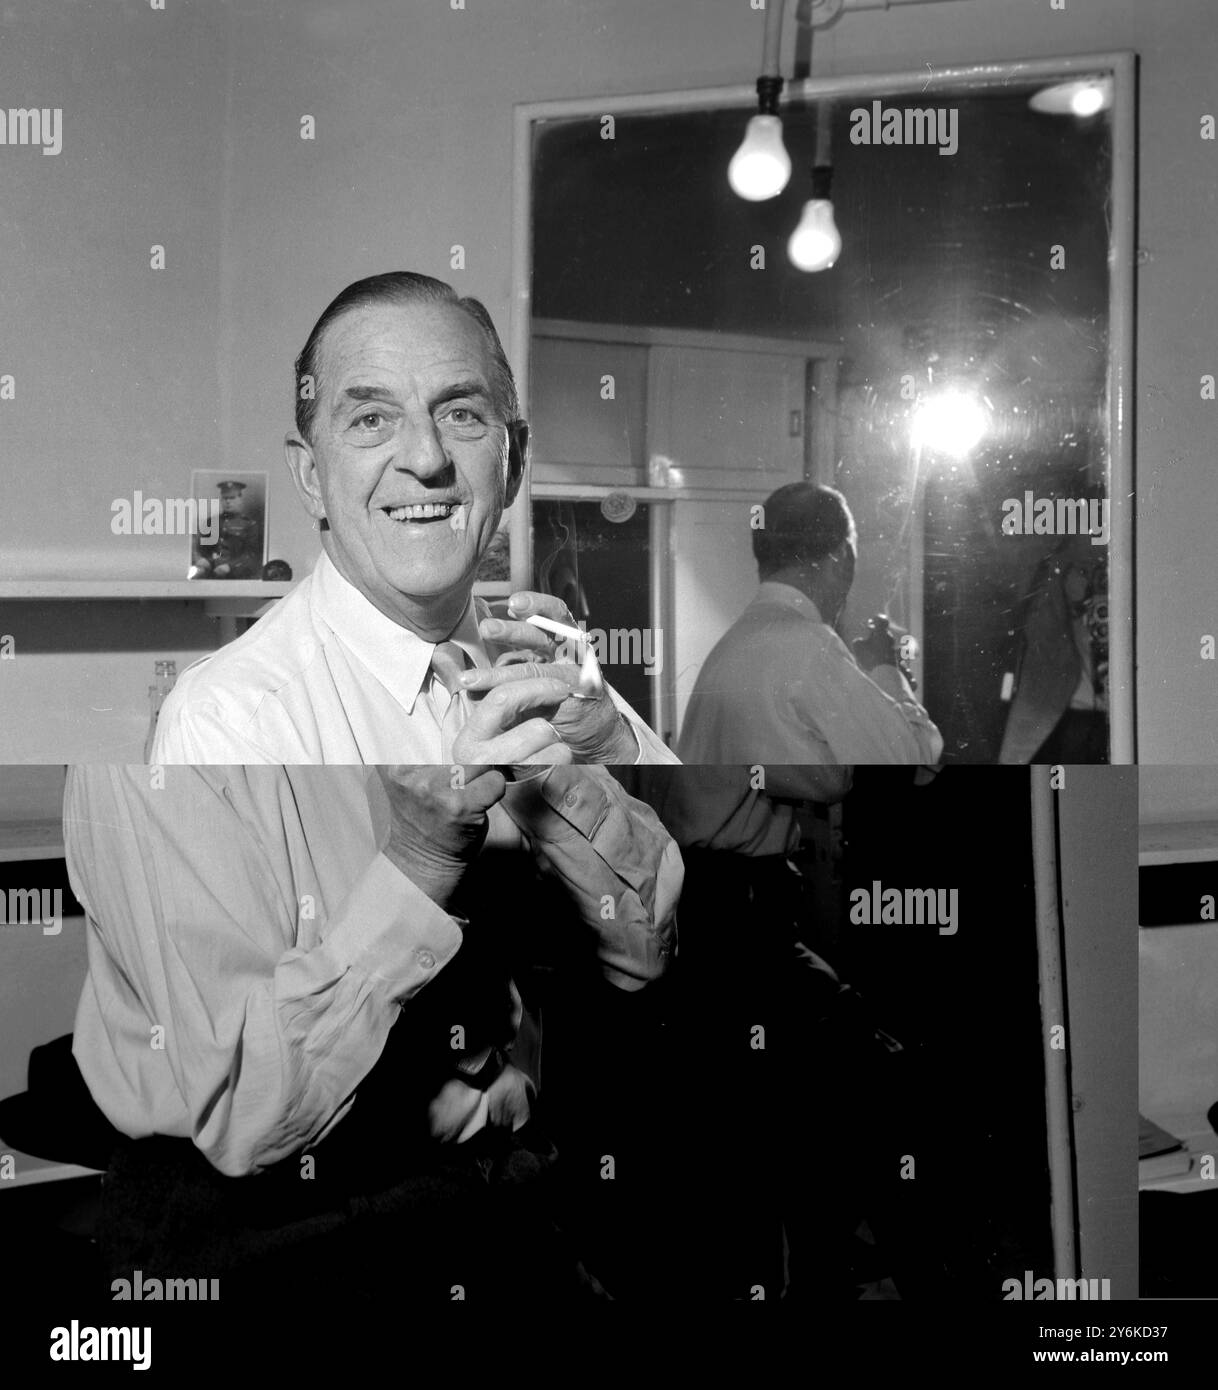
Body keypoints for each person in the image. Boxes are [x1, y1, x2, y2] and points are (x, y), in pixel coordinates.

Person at [64, 761, 681, 1301]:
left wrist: (552, 753)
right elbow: (249, 1108)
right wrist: (417, 865)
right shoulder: (160, 744)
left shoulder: (449, 670)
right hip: (275, 1232)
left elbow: (638, 958)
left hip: (501, 1178)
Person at [153, 271, 677, 766]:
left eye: (459, 414)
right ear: (312, 477)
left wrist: (614, 750)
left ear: (513, 462)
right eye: (371, 420)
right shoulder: (227, 721)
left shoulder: (560, 671)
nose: (427, 459)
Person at [678, 482, 942, 767]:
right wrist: (887, 671)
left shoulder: (734, 644)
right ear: (842, 556)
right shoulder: (811, 647)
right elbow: (913, 762)